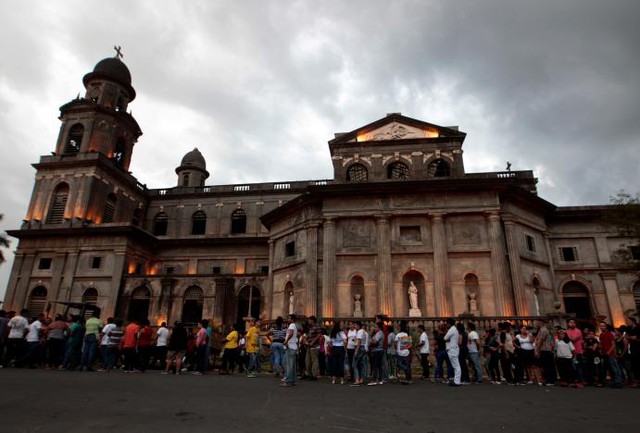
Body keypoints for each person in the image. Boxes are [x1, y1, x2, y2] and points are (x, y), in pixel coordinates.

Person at [598, 321, 623, 388]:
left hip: (610, 354)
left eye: (603, 326)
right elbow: (601, 343)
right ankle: (614, 381)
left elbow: (613, 344)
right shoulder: (601, 335)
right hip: (604, 354)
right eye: (601, 326)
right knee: (610, 368)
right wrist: (600, 349)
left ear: (606, 327)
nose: (602, 327)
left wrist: (609, 351)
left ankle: (618, 382)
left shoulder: (610, 334)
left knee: (615, 368)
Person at [534, 319, 556, 386]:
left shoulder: (543, 330)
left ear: (540, 322)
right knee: (545, 366)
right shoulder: (542, 330)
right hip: (545, 350)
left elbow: (540, 341)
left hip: (545, 350)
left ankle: (550, 381)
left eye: (537, 322)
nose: (535, 324)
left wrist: (537, 350)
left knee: (547, 366)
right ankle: (548, 380)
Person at [566, 319, 585, 387]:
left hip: (577, 351)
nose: (572, 323)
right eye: (570, 322)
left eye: (573, 322)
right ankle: (574, 380)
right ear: (568, 323)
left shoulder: (578, 331)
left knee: (578, 366)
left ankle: (580, 381)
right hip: (569, 351)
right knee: (571, 367)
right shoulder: (567, 331)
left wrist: (566, 336)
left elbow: (573, 339)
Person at [281, 314, 298, 387]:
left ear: (292, 319)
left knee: (289, 365)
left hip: (290, 347)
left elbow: (290, 333)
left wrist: (286, 341)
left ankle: (288, 381)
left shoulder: (292, 325)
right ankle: (292, 380)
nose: (288, 319)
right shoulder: (293, 325)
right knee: (292, 365)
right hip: (292, 346)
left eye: (289, 318)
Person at [444, 318, 461, 386]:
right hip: (454, 348)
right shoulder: (454, 329)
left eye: (447, 323)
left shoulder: (452, 329)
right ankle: (456, 380)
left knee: (456, 366)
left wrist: (447, 340)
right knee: (456, 365)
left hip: (452, 349)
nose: (446, 325)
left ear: (449, 323)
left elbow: (445, 338)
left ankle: (457, 381)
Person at [304, 316, 321, 380]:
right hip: (309, 346)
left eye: (309, 320)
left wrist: (313, 342)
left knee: (314, 360)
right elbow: (308, 335)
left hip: (315, 346)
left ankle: (314, 375)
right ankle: (308, 373)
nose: (308, 321)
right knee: (307, 360)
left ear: (312, 320)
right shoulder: (311, 328)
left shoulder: (317, 326)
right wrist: (305, 340)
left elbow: (319, 335)